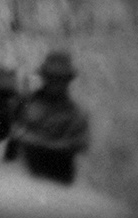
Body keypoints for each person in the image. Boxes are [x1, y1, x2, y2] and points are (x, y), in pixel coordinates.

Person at [8, 50, 89, 184]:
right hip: (25, 175)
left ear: (68, 80)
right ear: (44, 77)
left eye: (60, 79)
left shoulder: (75, 113)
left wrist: (39, 141)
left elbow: (79, 143)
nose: (55, 83)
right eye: (51, 77)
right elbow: (13, 132)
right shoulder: (26, 104)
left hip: (59, 178)